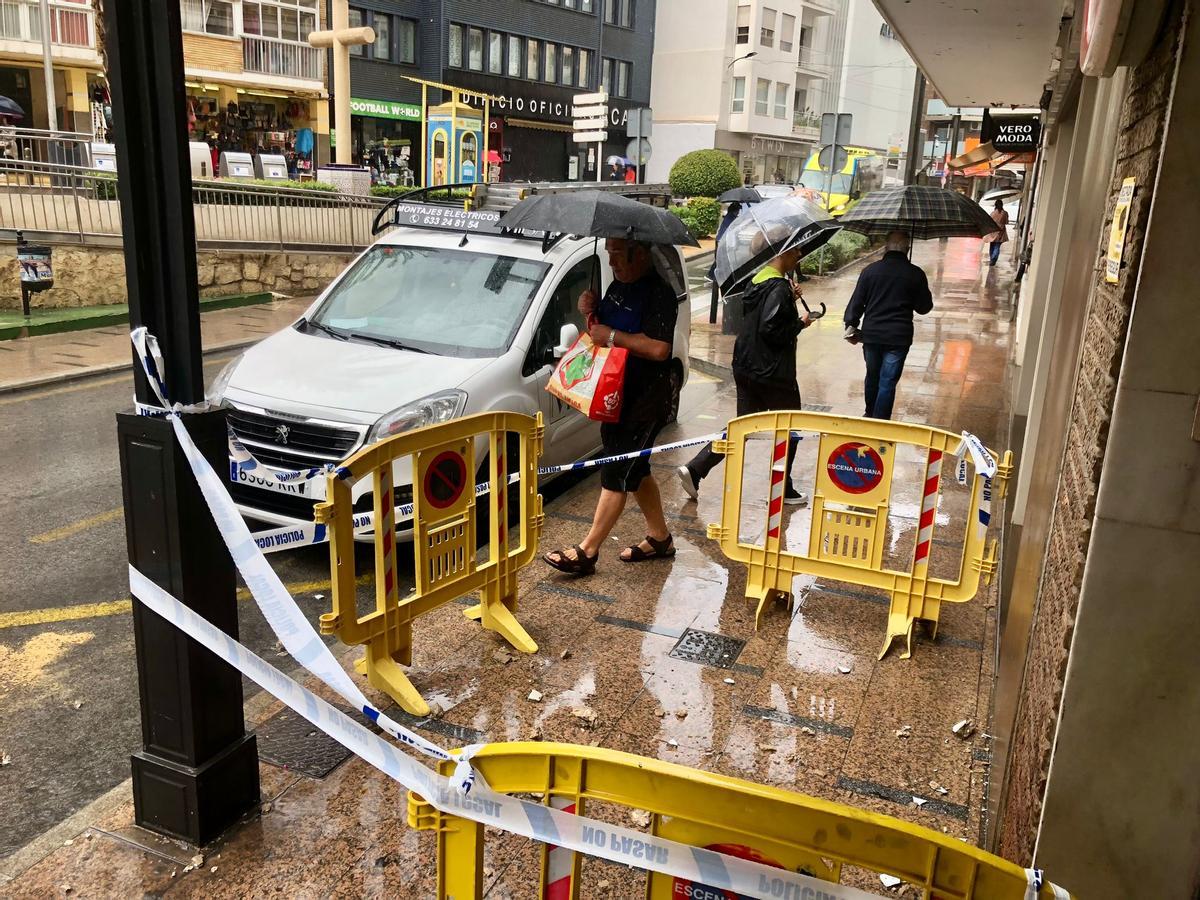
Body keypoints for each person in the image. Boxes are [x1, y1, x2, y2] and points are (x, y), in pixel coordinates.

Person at [543, 239, 679, 575]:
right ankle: (660, 538)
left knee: (617, 471)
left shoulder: (659, 293)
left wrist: (613, 335)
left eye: (618, 253)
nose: (611, 259)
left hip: (646, 400)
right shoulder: (619, 284)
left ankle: (587, 551)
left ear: (642, 252)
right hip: (615, 395)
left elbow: (660, 349)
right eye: (609, 253)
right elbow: (599, 333)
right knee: (637, 469)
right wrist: (590, 311)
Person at [678, 238, 812, 501]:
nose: (799, 253)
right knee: (792, 427)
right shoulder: (777, 288)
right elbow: (771, 329)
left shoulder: (757, 281)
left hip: (746, 366)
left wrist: (789, 299)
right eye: (795, 248)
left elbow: (763, 316)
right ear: (781, 251)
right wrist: (800, 323)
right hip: (772, 373)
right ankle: (782, 488)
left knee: (742, 427)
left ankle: (696, 468)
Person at [843, 231, 932, 420]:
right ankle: (881, 421)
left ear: (886, 247)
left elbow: (857, 302)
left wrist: (850, 325)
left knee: (872, 376)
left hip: (872, 334)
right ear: (907, 249)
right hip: (898, 338)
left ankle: (869, 413)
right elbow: (924, 308)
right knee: (888, 382)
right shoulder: (915, 274)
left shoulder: (870, 271)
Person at [988, 199, 1010, 266]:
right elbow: (1006, 222)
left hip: (993, 232)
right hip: (1001, 232)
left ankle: (992, 259)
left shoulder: (993, 213)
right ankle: (994, 259)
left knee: (992, 245)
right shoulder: (1005, 213)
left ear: (995, 205)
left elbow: (989, 222)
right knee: (997, 246)